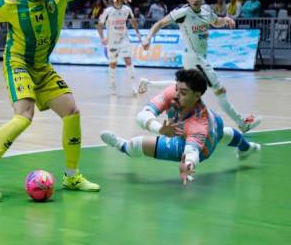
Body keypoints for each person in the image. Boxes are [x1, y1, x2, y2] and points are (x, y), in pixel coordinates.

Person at [0, 0, 130, 200]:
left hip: (42, 66)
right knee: (24, 116)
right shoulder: (10, 3)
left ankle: (71, 176)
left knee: (71, 111)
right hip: (18, 63)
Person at [100, 69, 261, 185]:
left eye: (183, 92)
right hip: (214, 123)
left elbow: (192, 152)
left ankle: (121, 145)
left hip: (201, 146)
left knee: (136, 144)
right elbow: (142, 115)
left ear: (197, 96)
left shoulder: (198, 124)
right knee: (225, 133)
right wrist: (159, 129)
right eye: (177, 89)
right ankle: (246, 148)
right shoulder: (173, 92)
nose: (176, 94)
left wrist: (188, 165)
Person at [141, 0, 261, 133]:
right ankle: (242, 123)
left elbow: (216, 22)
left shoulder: (206, 10)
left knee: (182, 87)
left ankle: (148, 83)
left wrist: (226, 19)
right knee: (219, 90)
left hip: (195, 58)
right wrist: (148, 37)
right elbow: (160, 23)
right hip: (195, 58)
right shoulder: (183, 13)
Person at [96, 0, 145, 96]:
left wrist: (138, 33)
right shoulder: (108, 11)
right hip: (112, 40)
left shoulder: (127, 9)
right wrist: (102, 38)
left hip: (124, 39)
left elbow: (133, 21)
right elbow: (100, 24)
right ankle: (112, 85)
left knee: (128, 60)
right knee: (113, 64)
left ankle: (133, 86)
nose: (118, 0)